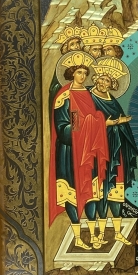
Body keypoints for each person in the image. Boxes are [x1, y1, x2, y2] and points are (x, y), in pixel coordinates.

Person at [48, 55, 110, 250]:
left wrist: (98, 121)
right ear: (71, 74)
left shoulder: (91, 95)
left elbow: (97, 117)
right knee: (72, 194)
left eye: (85, 72)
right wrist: (89, 124)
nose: (82, 76)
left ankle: (93, 235)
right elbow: (64, 128)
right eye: (79, 72)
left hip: (89, 151)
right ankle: (78, 237)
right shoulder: (64, 97)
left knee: (92, 193)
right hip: (70, 153)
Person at [89, 67, 138, 247]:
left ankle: (117, 233)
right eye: (102, 79)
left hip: (116, 150)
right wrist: (107, 123)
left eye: (108, 81)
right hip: (97, 152)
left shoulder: (113, 100)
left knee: (115, 192)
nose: (104, 83)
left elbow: (119, 121)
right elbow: (82, 123)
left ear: (112, 85)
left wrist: (121, 123)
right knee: (101, 192)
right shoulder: (88, 98)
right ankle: (100, 233)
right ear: (96, 79)